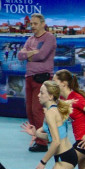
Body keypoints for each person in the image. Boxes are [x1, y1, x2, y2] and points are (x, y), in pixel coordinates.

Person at [21, 14, 56, 152]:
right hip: (29, 77)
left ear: (43, 24)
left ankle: (42, 142)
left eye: (35, 23)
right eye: (31, 24)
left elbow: (42, 56)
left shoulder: (49, 38)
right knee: (29, 110)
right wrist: (31, 52)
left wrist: (28, 54)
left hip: (42, 79)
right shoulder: (30, 39)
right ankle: (37, 137)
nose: (33, 26)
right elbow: (19, 56)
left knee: (37, 110)